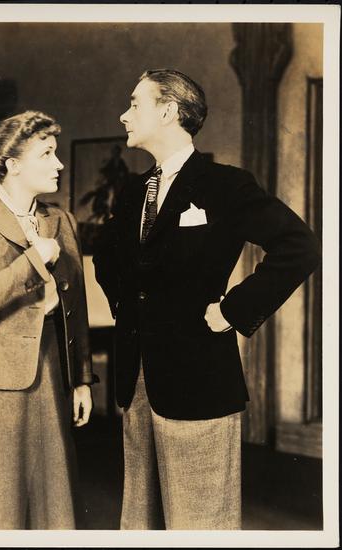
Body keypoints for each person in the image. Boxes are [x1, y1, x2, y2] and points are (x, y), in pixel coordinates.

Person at [92, 69, 321, 530]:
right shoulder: (134, 190)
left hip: (198, 379)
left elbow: (300, 246)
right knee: (140, 522)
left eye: (134, 104)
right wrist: (134, 314)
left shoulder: (225, 185)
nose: (123, 116)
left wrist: (232, 310)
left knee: (200, 524)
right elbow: (106, 260)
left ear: (169, 111)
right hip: (137, 381)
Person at [0, 110, 96, 529]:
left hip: (51, 373)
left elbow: (76, 306)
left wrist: (81, 379)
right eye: (46, 154)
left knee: (54, 505)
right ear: (12, 164)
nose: (59, 164)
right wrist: (33, 259)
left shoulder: (61, 220)